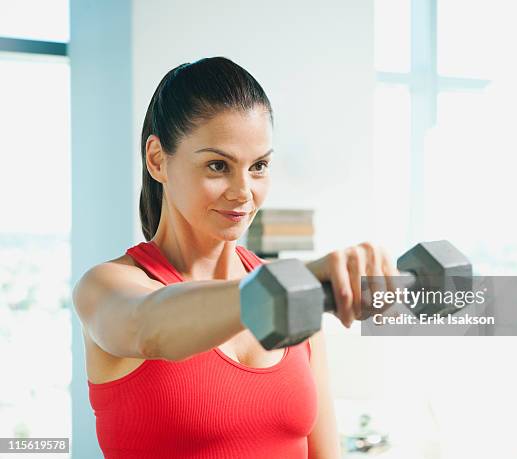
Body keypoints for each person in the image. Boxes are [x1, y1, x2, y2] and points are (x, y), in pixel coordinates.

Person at [72, 56, 400, 459]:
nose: (243, 192)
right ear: (157, 159)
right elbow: (150, 328)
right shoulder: (106, 287)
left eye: (258, 166)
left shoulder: (288, 292)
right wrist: (292, 285)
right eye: (217, 165)